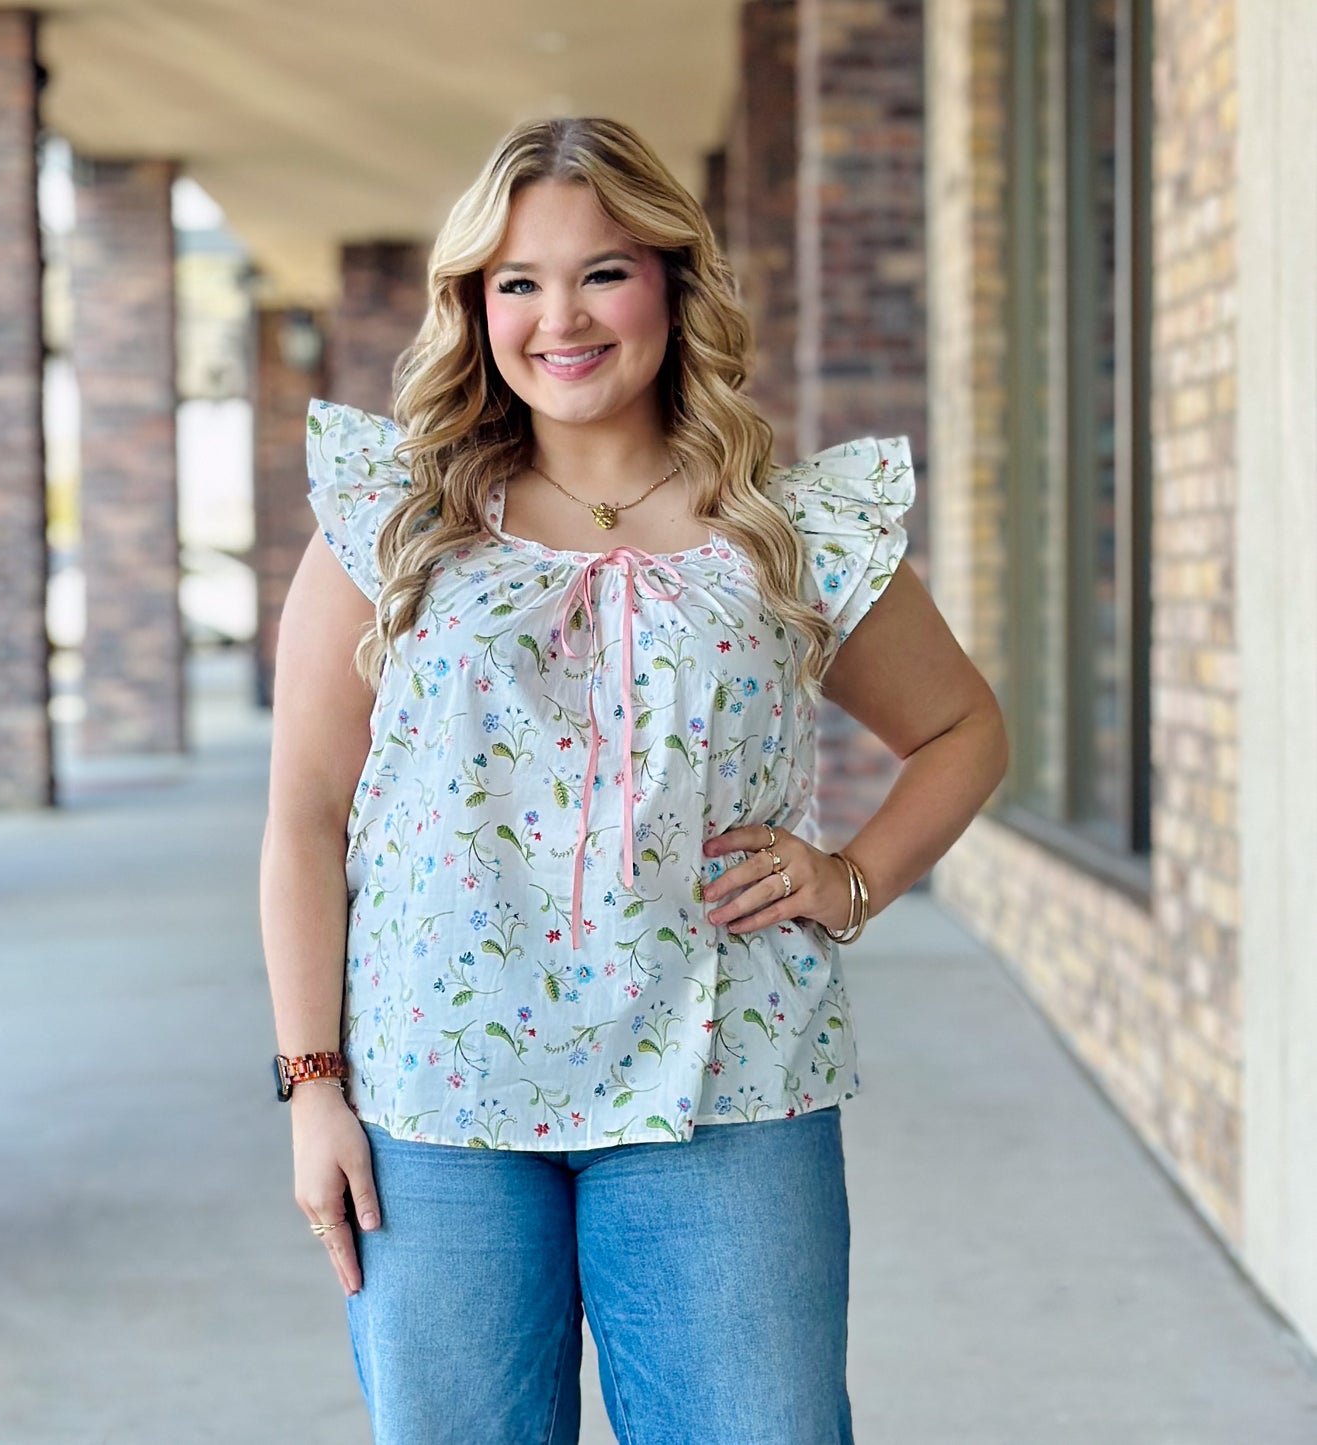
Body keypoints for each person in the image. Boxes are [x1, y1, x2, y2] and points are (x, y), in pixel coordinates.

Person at [260, 116, 1007, 1445]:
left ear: (669, 279)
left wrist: (849, 878)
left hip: (724, 1087)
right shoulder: (392, 523)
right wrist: (313, 1083)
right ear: (475, 306)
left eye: (602, 270)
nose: (562, 315)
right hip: (435, 1104)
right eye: (517, 282)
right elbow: (305, 815)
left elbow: (960, 728)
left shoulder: (790, 528)